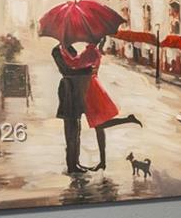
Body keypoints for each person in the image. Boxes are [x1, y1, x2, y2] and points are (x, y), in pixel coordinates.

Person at [58, 37, 141, 171]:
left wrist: (63, 52)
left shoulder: (90, 52)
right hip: (93, 86)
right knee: (99, 127)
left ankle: (127, 119)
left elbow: (75, 64)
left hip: (90, 90)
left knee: (99, 124)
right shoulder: (95, 51)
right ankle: (102, 162)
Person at [52, 41, 94, 175]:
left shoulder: (70, 49)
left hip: (77, 91)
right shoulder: (57, 51)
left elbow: (76, 65)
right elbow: (67, 70)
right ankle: (71, 164)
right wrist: (87, 69)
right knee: (70, 128)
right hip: (68, 90)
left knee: (76, 127)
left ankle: (75, 161)